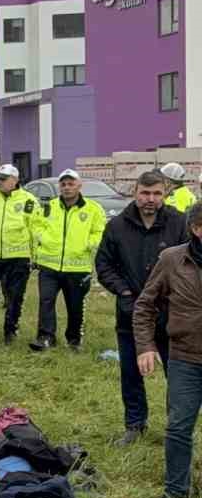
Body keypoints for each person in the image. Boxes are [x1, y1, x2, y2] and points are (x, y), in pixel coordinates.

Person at [96, 170, 187, 446]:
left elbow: (191, 261)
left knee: (179, 373)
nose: (150, 199)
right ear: (134, 192)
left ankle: (177, 426)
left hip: (171, 314)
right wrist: (123, 291)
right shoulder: (117, 226)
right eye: (145, 193)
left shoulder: (178, 223)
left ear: (165, 193)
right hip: (131, 312)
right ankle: (135, 425)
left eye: (156, 193)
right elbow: (104, 265)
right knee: (131, 372)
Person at [135, 203, 202, 498]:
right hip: (185, 358)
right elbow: (145, 306)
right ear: (195, 229)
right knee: (178, 426)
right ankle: (176, 492)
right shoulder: (172, 260)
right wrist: (146, 346)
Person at [29, 170, 106, 352]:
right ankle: (46, 338)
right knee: (46, 302)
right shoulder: (49, 206)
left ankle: (74, 340)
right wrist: (43, 237)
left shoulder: (93, 208)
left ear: (79, 186)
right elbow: (36, 224)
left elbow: (100, 231)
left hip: (78, 267)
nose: (66, 187)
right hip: (49, 265)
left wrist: (88, 243)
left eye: (71, 184)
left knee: (75, 306)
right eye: (63, 184)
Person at [0, 164, 36, 343]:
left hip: (18, 256)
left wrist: (34, 256)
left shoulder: (28, 200)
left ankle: (10, 330)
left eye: (4, 179)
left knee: (15, 296)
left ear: (15, 180)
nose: (0, 182)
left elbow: (35, 229)